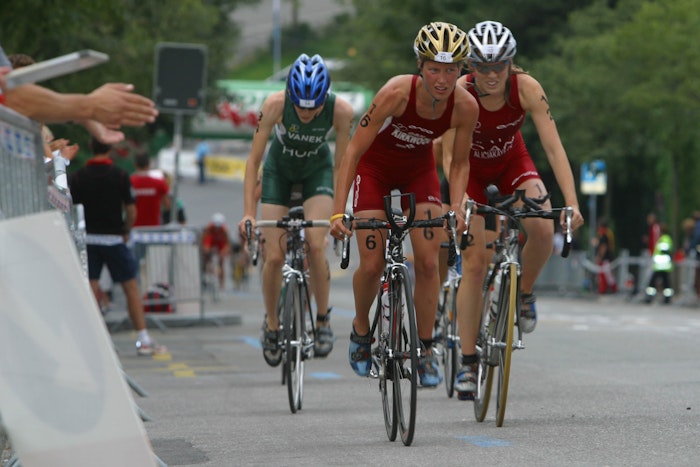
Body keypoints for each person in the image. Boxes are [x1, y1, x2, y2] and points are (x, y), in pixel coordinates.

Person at [438, 20, 584, 399]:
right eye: (483, 67)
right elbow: (450, 157)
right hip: (469, 172)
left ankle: (524, 294)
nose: (491, 75)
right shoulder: (459, 93)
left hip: (511, 164)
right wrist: (458, 201)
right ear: (471, 66)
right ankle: (468, 363)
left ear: (510, 63)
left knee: (543, 228)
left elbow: (553, 148)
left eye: (499, 66)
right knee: (475, 265)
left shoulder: (527, 88)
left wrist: (571, 202)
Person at [329, 22, 479, 387]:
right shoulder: (396, 93)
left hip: (418, 172)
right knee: (371, 263)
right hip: (375, 170)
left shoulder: (465, 106)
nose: (442, 79)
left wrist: (457, 206)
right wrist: (338, 209)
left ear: (461, 69)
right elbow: (353, 151)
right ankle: (361, 329)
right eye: (434, 69)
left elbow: (460, 164)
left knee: (428, 262)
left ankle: (424, 350)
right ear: (420, 66)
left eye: (451, 70)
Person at [238, 53, 354, 364]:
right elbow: (253, 160)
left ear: (325, 97)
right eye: (300, 105)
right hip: (279, 172)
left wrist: (339, 212)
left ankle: (322, 320)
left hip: (317, 171)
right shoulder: (275, 104)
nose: (305, 112)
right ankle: (272, 324)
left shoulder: (341, 111)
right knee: (274, 255)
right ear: (290, 95)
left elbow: (342, 165)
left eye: (313, 106)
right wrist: (249, 212)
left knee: (316, 245)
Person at [68, 137, 166, 356]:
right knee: (130, 287)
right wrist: (126, 229)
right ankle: (143, 339)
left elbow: (71, 208)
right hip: (114, 238)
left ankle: (92, 341)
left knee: (91, 289)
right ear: (111, 148)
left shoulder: (78, 176)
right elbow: (131, 210)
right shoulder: (120, 175)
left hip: (89, 239)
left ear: (90, 147)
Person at [130, 151, 171, 227]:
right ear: (149, 164)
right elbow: (167, 205)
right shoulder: (159, 183)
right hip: (153, 227)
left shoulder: (129, 182)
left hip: (134, 226)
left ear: (135, 165)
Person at [644, 223, 674, 304]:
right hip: (662, 265)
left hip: (661, 265)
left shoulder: (665, 238)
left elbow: (664, 250)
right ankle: (666, 299)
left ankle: (650, 297)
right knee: (665, 283)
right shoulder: (663, 238)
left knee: (653, 282)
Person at [202, 213, 231, 290]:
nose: (217, 229)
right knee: (206, 253)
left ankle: (221, 283)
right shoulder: (209, 228)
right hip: (211, 239)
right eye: (215, 227)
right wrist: (205, 251)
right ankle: (206, 271)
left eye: (218, 227)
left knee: (221, 262)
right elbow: (204, 240)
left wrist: (224, 253)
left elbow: (227, 243)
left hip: (220, 242)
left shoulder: (224, 230)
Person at [595, 219, 618, 294]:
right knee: (608, 275)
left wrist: (600, 257)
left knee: (606, 275)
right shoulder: (608, 234)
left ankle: (606, 289)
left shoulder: (604, 236)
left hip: (605, 259)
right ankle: (608, 289)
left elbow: (603, 247)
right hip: (608, 258)